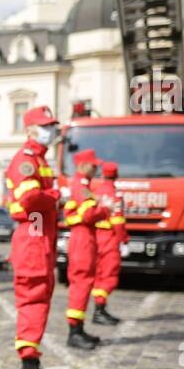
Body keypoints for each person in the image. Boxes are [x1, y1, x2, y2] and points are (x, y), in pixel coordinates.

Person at [5, 106, 65, 369]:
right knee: (33, 302)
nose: (51, 130)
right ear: (29, 130)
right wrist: (55, 197)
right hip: (33, 239)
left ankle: (32, 366)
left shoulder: (39, 159)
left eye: (52, 125)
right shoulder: (26, 159)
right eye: (45, 126)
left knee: (39, 301)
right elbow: (29, 199)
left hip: (40, 238)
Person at [62, 148, 108, 349]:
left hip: (84, 236)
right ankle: (74, 332)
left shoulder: (83, 184)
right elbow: (88, 215)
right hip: (83, 238)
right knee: (82, 281)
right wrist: (105, 209)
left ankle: (78, 329)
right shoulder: (81, 185)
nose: (96, 167)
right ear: (82, 165)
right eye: (93, 164)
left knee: (84, 281)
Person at [90, 160, 127, 324]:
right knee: (109, 275)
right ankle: (99, 310)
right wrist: (123, 240)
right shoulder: (115, 195)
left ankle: (99, 309)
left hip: (94, 237)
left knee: (98, 274)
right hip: (109, 238)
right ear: (116, 175)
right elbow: (117, 221)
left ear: (102, 174)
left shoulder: (94, 191)